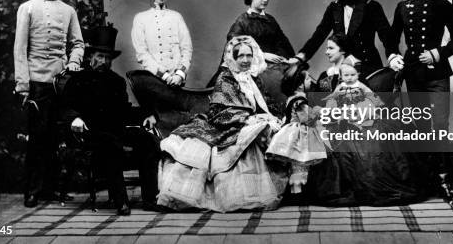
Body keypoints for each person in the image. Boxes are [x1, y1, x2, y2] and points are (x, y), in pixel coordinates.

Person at [157, 36, 288, 212]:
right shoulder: (225, 78)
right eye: (240, 56)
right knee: (247, 138)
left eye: (249, 55)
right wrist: (247, 119)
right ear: (233, 57)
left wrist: (274, 116)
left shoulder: (254, 79)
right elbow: (220, 111)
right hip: (227, 124)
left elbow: (266, 103)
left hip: (250, 121)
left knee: (271, 129)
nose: (245, 60)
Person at [305, 38, 429, 206]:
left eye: (331, 48)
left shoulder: (357, 71)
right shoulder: (326, 75)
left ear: (342, 51)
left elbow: (372, 100)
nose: (326, 52)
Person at [62, 26, 161, 215]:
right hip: (90, 132)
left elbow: (125, 111)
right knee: (110, 145)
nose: (104, 61)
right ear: (90, 56)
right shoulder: (77, 80)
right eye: (100, 56)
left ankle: (149, 199)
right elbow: (66, 107)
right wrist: (74, 118)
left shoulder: (116, 81)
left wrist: (148, 114)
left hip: (115, 129)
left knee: (147, 140)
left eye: (108, 58)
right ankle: (121, 201)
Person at [13, 0, 84, 208]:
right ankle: (32, 191)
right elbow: (20, 49)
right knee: (37, 138)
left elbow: (78, 43)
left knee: (56, 138)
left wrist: (74, 61)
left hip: (60, 83)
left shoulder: (68, 11)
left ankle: (51, 190)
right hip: (36, 83)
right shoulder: (27, 8)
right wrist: (23, 86)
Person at [386, 0, 453, 132]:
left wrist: (437, 53)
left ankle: (441, 160)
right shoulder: (402, 7)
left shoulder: (442, 5)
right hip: (413, 73)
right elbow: (392, 40)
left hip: (438, 73)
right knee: (421, 125)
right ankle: (425, 160)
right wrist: (393, 57)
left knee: (439, 124)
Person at [289, 0, 395, 79]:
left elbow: (387, 37)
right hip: (343, 68)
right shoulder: (333, 7)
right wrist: (301, 56)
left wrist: (393, 56)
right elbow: (319, 35)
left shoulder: (371, 6)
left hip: (368, 68)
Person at [209, 0, 295, 109]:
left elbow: (283, 44)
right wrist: (262, 55)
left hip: (274, 71)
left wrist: (282, 58)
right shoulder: (242, 22)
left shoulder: (271, 21)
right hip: (250, 71)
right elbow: (233, 50)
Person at [266, 63, 326, 195]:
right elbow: (307, 118)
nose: (311, 81)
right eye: (308, 79)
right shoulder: (300, 99)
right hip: (299, 135)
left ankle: (296, 191)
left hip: (290, 132)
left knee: (296, 165)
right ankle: (297, 193)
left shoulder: (291, 98)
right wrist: (318, 111)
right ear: (300, 84)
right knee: (300, 164)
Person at [131, 0, 193, 87]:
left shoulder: (177, 17)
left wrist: (179, 75)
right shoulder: (140, 18)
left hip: (177, 81)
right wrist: (164, 76)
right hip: (154, 80)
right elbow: (142, 54)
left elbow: (187, 49)